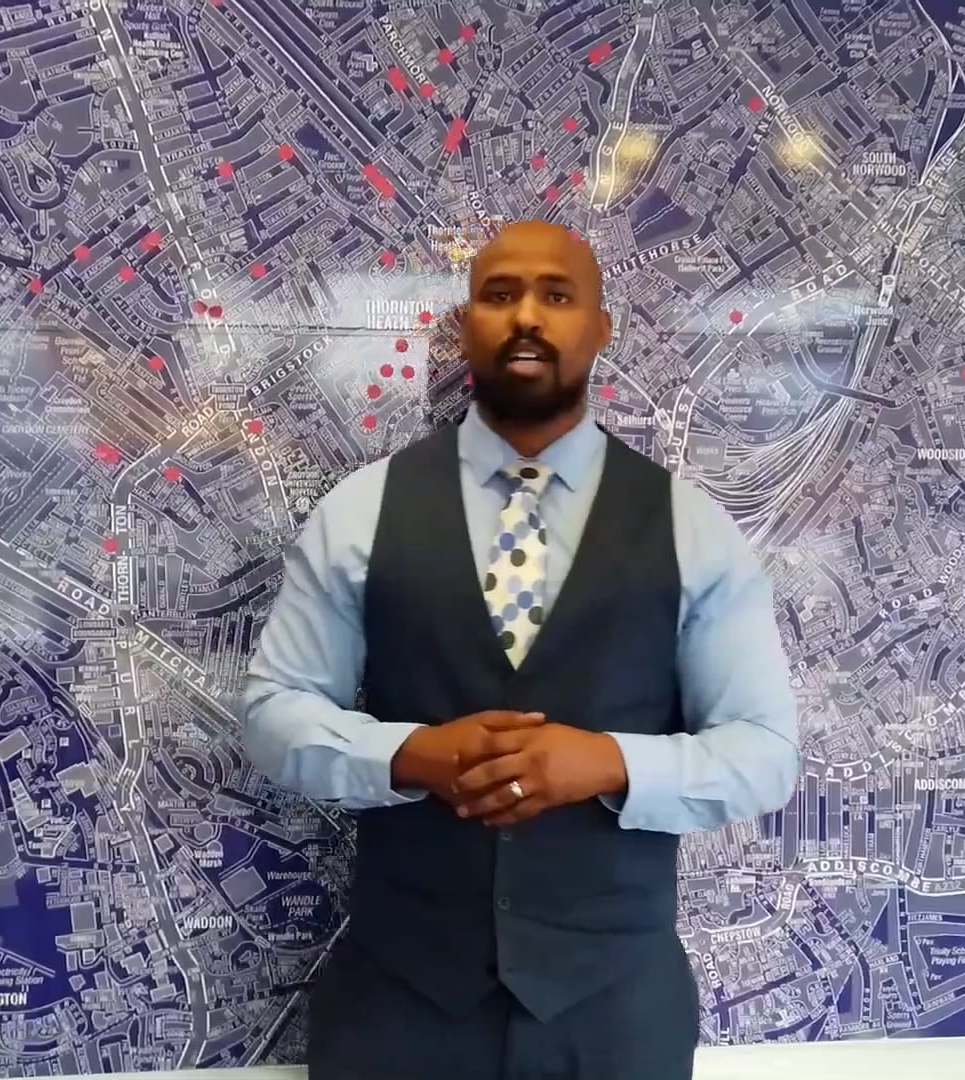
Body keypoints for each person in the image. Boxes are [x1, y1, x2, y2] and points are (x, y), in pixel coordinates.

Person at [237, 219, 800, 1080]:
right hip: (396, 1010)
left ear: (600, 328)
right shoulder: (358, 514)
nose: (527, 316)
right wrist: (412, 755)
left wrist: (607, 763)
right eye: (499, 295)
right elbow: (274, 714)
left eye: (557, 295)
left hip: (614, 1020)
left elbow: (764, 753)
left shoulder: (695, 530)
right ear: (466, 328)